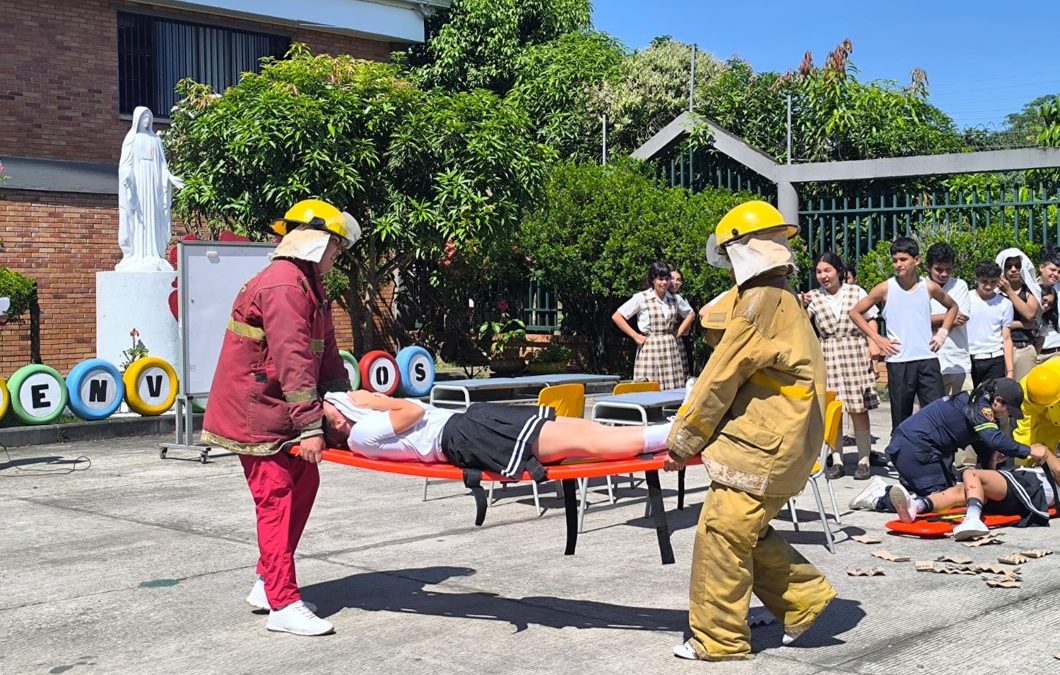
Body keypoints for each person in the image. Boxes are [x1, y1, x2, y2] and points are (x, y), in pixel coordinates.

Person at [664, 200, 836, 662]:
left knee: (722, 532)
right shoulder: (777, 298)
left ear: (740, 250)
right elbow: (716, 323)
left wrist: (683, 440)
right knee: (746, 532)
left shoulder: (761, 303)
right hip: (788, 441)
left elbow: (718, 378)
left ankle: (717, 640)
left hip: (763, 444)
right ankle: (804, 600)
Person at [201, 199, 360, 637]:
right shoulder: (283, 286)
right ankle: (283, 604)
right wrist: (312, 425)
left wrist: (345, 407)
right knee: (276, 499)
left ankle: (266, 583)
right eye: (335, 247)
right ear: (317, 241)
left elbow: (324, 356)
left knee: (304, 483)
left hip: (278, 411)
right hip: (256, 415)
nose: (336, 256)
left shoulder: (308, 284)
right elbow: (291, 361)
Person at [320, 391, 674, 472]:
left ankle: (665, 431)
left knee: (580, 427)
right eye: (335, 403)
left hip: (468, 425)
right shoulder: (359, 436)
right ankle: (670, 435)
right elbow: (412, 410)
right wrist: (373, 398)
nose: (346, 397)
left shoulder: (361, 432)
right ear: (336, 421)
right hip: (466, 436)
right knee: (582, 441)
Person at [849, 378, 1049, 512]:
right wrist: (1030, 450)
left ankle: (910, 488)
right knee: (942, 500)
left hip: (920, 450)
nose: (1008, 414)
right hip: (915, 449)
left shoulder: (977, 400)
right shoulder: (981, 408)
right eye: (1008, 410)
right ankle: (878, 498)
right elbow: (994, 440)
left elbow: (985, 446)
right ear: (998, 401)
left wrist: (992, 469)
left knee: (950, 491)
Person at [850, 237, 958, 432]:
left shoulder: (929, 286)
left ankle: (939, 460)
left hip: (927, 359)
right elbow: (855, 312)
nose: (898, 264)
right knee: (901, 418)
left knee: (937, 415)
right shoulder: (885, 288)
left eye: (902, 259)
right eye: (894, 260)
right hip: (899, 362)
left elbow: (953, 307)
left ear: (916, 261)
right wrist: (877, 337)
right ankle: (902, 459)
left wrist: (942, 333)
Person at [803, 251, 881, 480]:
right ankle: (836, 460)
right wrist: (800, 304)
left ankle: (863, 459)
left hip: (855, 350)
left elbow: (871, 319)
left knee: (858, 408)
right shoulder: (814, 297)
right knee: (832, 409)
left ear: (838, 271)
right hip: (828, 353)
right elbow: (802, 323)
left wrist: (873, 345)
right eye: (818, 271)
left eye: (827, 270)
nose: (823, 276)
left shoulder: (856, 292)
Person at [889, 447, 1058, 541]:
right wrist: (993, 463)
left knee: (971, 474)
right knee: (962, 489)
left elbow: (1057, 470)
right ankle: (917, 507)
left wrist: (1046, 452)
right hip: (1021, 487)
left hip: (1031, 490)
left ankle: (973, 520)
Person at [116, 106, 185, 272]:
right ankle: (138, 253)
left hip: (153, 182)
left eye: (149, 117)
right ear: (137, 119)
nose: (147, 120)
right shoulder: (132, 139)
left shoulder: (156, 140)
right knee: (139, 216)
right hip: (139, 181)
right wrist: (127, 176)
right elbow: (126, 163)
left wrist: (169, 177)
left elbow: (162, 165)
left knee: (153, 215)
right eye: (144, 117)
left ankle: (153, 253)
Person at [612, 261, 694, 390]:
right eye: (660, 279)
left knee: (672, 387)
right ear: (653, 280)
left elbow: (690, 314)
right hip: (650, 346)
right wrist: (635, 336)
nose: (664, 283)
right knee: (649, 384)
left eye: (667, 279)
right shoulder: (641, 297)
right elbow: (617, 316)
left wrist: (679, 331)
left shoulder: (674, 298)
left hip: (670, 348)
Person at [925, 243, 972, 396]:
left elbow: (961, 318)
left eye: (948, 269)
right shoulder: (919, 287)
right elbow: (916, 321)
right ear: (928, 267)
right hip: (930, 361)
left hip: (958, 361)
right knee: (933, 414)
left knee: (963, 413)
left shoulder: (960, 286)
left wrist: (931, 320)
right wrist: (950, 315)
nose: (944, 274)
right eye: (939, 269)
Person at [995, 248, 1041, 382]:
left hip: (1023, 349)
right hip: (999, 350)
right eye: (1009, 266)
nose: (1013, 269)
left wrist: (1009, 291)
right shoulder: (993, 293)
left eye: (1017, 266)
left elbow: (1030, 314)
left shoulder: (1030, 290)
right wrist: (1019, 324)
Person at [965, 261, 1014, 386]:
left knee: (989, 400)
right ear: (976, 279)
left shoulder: (1005, 303)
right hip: (969, 358)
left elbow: (1007, 338)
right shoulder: (966, 298)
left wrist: (1010, 371)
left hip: (995, 358)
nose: (988, 286)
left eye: (993, 282)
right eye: (984, 281)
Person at [670, 267, 696, 375]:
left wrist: (679, 331)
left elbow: (691, 316)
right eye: (672, 278)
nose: (675, 282)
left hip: (679, 342)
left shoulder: (680, 299)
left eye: (678, 280)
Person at [1037, 286, 1060, 361]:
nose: (1046, 306)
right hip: (1037, 356)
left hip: (1055, 354)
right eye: (1044, 301)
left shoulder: (1046, 318)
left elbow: (1041, 339)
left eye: (1050, 304)